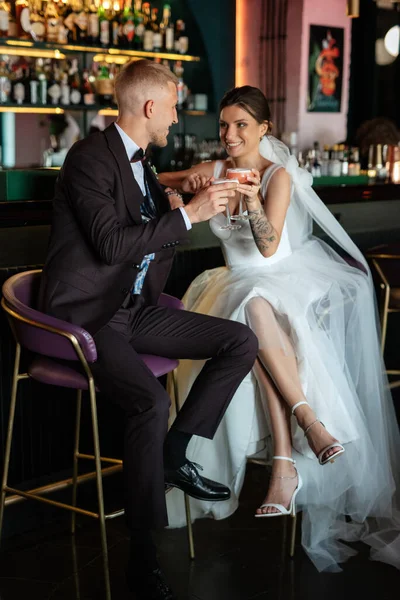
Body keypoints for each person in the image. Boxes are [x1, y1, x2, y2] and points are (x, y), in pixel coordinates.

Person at [38, 62, 259, 600]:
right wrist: (189, 216)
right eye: (175, 106)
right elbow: (112, 246)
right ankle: (142, 555)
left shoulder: (144, 166)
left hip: (133, 309)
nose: (179, 118)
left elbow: (145, 241)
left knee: (239, 341)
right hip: (88, 314)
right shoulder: (88, 157)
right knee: (148, 405)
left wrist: (178, 201)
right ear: (149, 108)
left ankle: (174, 455)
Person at [159, 86, 400, 573]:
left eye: (241, 125)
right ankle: (303, 433)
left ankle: (292, 454)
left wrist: (248, 201)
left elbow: (268, 249)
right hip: (235, 285)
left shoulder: (278, 175)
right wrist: (171, 190)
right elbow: (155, 176)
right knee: (250, 312)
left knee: (254, 308)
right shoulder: (213, 172)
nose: (229, 134)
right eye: (223, 125)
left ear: (264, 130)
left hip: (283, 280)